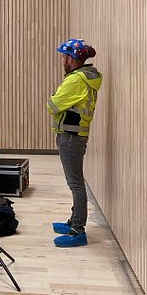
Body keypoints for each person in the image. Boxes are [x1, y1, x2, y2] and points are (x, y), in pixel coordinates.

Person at [48, 38, 102, 247]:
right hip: (73, 134)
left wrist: (54, 97)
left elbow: (53, 104)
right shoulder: (87, 77)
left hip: (71, 136)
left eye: (64, 56)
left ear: (71, 59)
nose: (62, 60)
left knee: (76, 184)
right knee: (75, 182)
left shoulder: (75, 80)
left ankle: (77, 230)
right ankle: (74, 220)